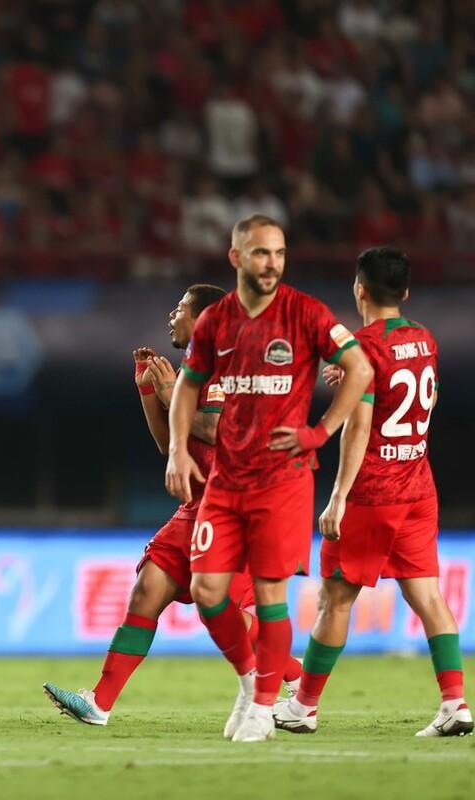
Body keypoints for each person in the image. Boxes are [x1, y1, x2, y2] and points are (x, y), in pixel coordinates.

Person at [44, 285, 301, 725]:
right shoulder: (194, 370)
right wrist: (149, 392)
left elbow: (216, 431)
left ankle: (297, 675)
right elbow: (171, 444)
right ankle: (100, 703)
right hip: (197, 507)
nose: (171, 315)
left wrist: (169, 394)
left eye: (180, 308)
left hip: (235, 509)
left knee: (222, 613)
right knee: (147, 589)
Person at [166, 214, 373, 743]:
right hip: (226, 480)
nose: (272, 263)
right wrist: (178, 450)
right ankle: (249, 681)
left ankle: (262, 707)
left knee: (269, 594)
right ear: (237, 258)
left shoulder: (306, 313)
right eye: (261, 253)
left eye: (279, 253)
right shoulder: (216, 322)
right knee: (207, 591)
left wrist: (320, 431)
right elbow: (187, 385)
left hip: (283, 481)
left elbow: (360, 368)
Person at [274, 247, 470, 737]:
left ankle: (303, 706)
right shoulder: (424, 338)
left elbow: (358, 426)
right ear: (405, 292)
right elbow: (425, 397)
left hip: (373, 492)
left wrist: (338, 496)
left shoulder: (361, 347)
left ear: (359, 289)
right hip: (418, 488)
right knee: (428, 595)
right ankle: (455, 703)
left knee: (335, 600)